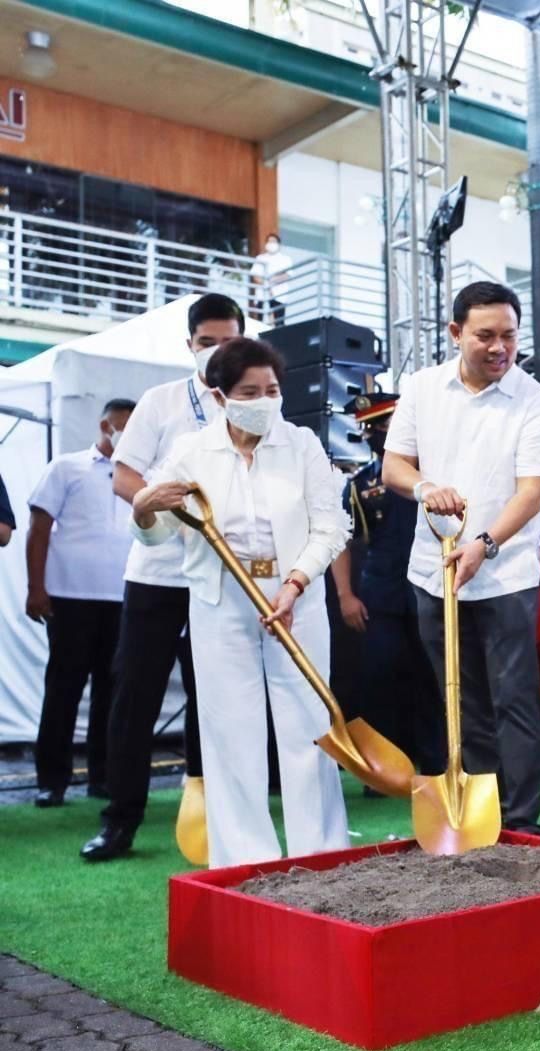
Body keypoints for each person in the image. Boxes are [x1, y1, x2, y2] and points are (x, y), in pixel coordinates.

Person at [129, 338, 351, 868]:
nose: (264, 400)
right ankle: (244, 859)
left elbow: (331, 525)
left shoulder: (301, 445)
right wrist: (142, 508)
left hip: (295, 594)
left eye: (272, 389)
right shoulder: (191, 452)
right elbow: (158, 533)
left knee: (309, 724)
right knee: (232, 728)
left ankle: (318, 853)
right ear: (220, 395)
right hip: (220, 599)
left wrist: (294, 584)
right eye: (249, 391)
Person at [382, 281, 540, 835]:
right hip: (432, 571)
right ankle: (482, 816)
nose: (499, 347)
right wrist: (425, 488)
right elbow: (394, 469)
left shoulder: (535, 400)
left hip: (503, 571)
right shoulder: (421, 388)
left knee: (513, 699)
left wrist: (484, 544)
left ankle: (524, 822)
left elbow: (531, 493)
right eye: (485, 335)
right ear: (456, 333)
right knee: (459, 698)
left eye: (509, 335)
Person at [82, 292, 244, 862]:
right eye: (207, 343)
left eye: (228, 341)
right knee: (135, 694)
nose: (217, 352)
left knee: (218, 696)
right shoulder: (160, 402)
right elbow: (123, 477)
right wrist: (158, 501)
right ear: (190, 347)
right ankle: (119, 820)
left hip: (225, 575)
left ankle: (215, 813)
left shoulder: (253, 400)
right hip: (156, 571)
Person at [25, 398, 138, 806]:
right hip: (70, 595)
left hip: (123, 597)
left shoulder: (141, 478)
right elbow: (39, 530)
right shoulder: (66, 467)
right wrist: (36, 588)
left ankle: (102, 776)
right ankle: (51, 779)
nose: (125, 433)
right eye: (120, 425)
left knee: (112, 691)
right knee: (64, 687)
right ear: (104, 425)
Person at [331, 392, 442, 776]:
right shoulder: (361, 484)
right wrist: (345, 594)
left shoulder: (434, 474)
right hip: (381, 595)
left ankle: (437, 764)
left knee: (434, 678)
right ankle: (384, 769)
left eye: (385, 426)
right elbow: (340, 539)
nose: (379, 434)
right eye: (372, 429)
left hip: (431, 589)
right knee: (379, 679)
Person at [250, 233, 293, 327]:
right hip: (262, 295)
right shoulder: (260, 258)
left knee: (278, 323)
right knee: (260, 323)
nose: (271, 244)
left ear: (278, 244)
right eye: (269, 241)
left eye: (273, 241)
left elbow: (287, 275)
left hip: (279, 295)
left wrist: (270, 282)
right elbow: (255, 276)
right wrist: (267, 285)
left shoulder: (285, 259)